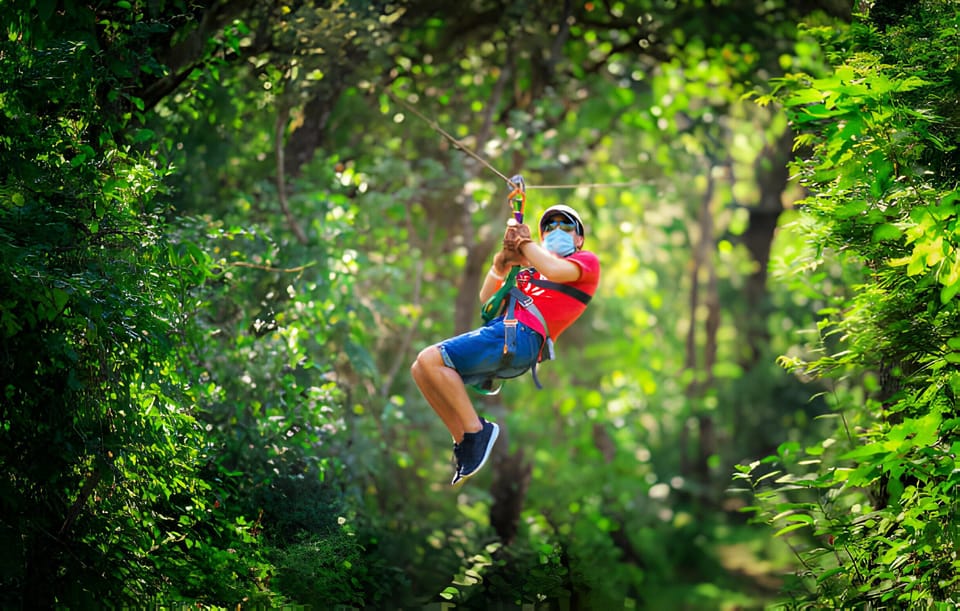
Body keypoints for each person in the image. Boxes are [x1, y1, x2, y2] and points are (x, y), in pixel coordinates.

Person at [411, 204, 601, 485]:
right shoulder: (529, 270)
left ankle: (478, 431)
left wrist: (523, 243)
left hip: (523, 336)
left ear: (579, 238)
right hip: (507, 331)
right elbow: (487, 300)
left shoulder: (586, 262)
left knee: (430, 358)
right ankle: (464, 440)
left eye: (565, 226)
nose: (556, 230)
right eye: (549, 227)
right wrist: (500, 266)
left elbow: (555, 270)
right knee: (421, 369)